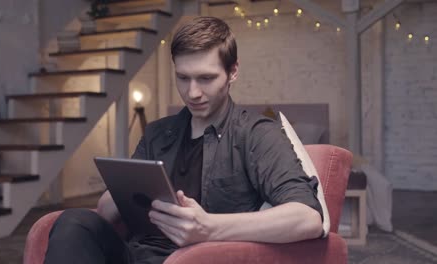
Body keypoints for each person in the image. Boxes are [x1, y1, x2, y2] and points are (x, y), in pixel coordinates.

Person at [44, 16, 323, 264]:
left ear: (233, 72)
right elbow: (106, 212)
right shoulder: (157, 133)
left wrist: (209, 227)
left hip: (204, 257)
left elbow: (307, 217)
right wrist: (122, 190)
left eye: (205, 78)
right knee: (73, 221)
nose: (193, 93)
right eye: (183, 78)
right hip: (136, 254)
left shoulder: (257, 134)